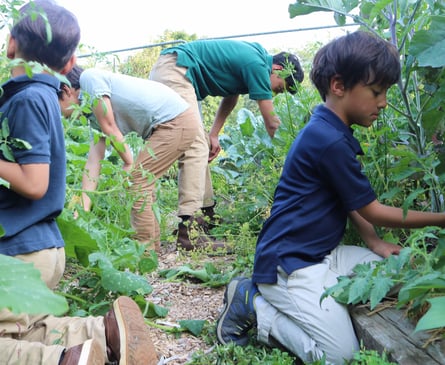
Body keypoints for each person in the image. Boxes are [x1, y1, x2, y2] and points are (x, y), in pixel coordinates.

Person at [215, 30, 445, 365]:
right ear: (339, 86)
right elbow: (373, 210)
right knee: (340, 355)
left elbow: (351, 200)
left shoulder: (331, 130)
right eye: (377, 91)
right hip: (289, 267)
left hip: (322, 256)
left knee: (396, 271)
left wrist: (376, 244)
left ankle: (321, 305)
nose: (383, 102)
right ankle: (254, 305)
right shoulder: (328, 140)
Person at [0, 2, 158, 364]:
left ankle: (64, 361)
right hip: (42, 248)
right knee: (25, 326)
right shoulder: (43, 98)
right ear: (69, 64)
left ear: (10, 45)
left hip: (17, 252)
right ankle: (103, 335)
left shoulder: (26, 100)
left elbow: (34, 183)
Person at [149, 39, 304, 250]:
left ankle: (206, 216)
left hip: (175, 69)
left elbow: (231, 97)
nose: (276, 94)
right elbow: (272, 124)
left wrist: (214, 134)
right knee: (194, 146)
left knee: (201, 143)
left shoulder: (254, 59)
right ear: (278, 69)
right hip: (175, 70)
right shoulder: (258, 66)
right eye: (280, 88)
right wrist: (293, 158)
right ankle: (188, 231)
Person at [59, 65, 217, 252]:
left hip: (176, 121)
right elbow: (93, 163)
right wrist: (81, 213)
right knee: (142, 180)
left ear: (66, 90)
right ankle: (152, 248)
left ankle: (144, 250)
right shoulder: (91, 113)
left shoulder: (89, 79)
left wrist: (128, 162)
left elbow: (110, 126)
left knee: (138, 180)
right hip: (169, 124)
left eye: (54, 103)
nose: (56, 112)